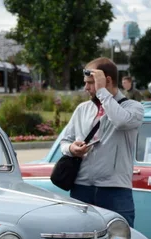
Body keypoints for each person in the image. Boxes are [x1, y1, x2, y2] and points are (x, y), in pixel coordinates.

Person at [60, 57, 144, 227]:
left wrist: (102, 93)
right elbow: (64, 141)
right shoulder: (82, 109)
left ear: (107, 81)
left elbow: (120, 121)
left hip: (115, 190)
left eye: (91, 83)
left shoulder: (134, 107)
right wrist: (71, 148)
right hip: (81, 188)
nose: (86, 88)